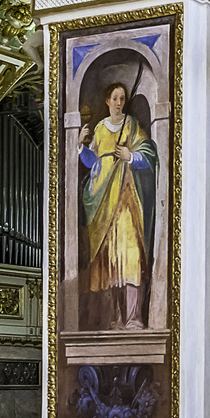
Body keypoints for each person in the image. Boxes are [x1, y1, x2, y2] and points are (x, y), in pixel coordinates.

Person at [79, 82, 158, 329]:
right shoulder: (101, 128)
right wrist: (81, 145)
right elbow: (92, 162)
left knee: (131, 256)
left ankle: (134, 318)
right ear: (107, 101)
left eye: (122, 98)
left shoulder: (132, 125)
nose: (119, 103)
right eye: (115, 98)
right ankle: (113, 318)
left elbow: (149, 154)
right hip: (103, 199)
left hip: (126, 197)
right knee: (109, 260)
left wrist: (129, 156)